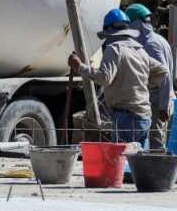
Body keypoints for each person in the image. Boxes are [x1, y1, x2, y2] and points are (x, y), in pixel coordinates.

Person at [68, 9, 168, 148]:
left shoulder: (114, 49)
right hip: (144, 116)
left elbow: (104, 78)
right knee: (137, 162)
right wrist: (145, 85)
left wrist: (80, 66)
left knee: (123, 162)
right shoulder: (140, 51)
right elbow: (163, 71)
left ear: (109, 31)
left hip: (126, 117)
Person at [126, 4, 175, 150]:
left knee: (156, 141)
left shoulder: (150, 45)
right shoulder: (158, 39)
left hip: (158, 101)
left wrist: (163, 106)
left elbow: (164, 76)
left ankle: (159, 171)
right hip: (159, 99)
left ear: (137, 23)